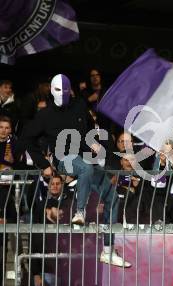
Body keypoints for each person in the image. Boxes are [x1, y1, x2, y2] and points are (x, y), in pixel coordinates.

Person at [16, 74, 130, 267]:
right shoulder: (44, 115)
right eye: (60, 90)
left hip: (85, 157)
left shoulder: (79, 105)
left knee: (112, 198)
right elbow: (26, 138)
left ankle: (108, 251)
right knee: (84, 169)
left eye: (67, 90)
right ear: (52, 90)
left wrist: (92, 141)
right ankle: (80, 212)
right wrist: (43, 164)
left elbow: (86, 128)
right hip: (63, 159)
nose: (64, 94)